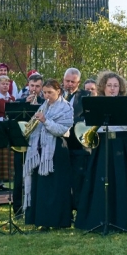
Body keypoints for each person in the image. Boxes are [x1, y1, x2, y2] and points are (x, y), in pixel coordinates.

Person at [74, 71, 127, 232]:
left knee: (119, 181)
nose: (112, 89)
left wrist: (126, 108)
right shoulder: (96, 102)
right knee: (99, 181)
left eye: (116, 86)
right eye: (109, 85)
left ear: (120, 87)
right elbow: (89, 123)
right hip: (101, 144)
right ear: (103, 86)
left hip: (119, 145)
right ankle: (97, 218)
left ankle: (117, 221)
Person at [23, 78, 74, 230]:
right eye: (44, 92)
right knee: (42, 187)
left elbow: (62, 130)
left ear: (58, 91)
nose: (46, 95)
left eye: (50, 92)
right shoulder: (43, 106)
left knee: (56, 187)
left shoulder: (67, 107)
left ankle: (58, 221)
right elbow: (34, 126)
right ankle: (42, 221)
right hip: (41, 151)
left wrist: (45, 121)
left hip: (57, 150)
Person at [61, 68, 92, 214]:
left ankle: (79, 210)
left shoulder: (86, 96)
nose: (69, 84)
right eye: (67, 81)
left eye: (73, 82)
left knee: (79, 180)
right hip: (61, 145)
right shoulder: (57, 94)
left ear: (78, 82)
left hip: (79, 146)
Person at [14, 73, 45, 216]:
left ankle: (33, 206)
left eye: (37, 86)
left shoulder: (45, 103)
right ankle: (18, 208)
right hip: (21, 142)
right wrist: (25, 105)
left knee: (35, 176)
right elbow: (14, 120)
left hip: (38, 144)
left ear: (42, 87)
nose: (34, 89)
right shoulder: (19, 101)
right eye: (32, 86)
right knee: (19, 176)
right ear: (28, 85)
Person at [0, 75, 16, 191]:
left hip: (8, 130)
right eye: (3, 84)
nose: (5, 86)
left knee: (6, 155)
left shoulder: (12, 99)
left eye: (7, 84)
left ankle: (1, 182)